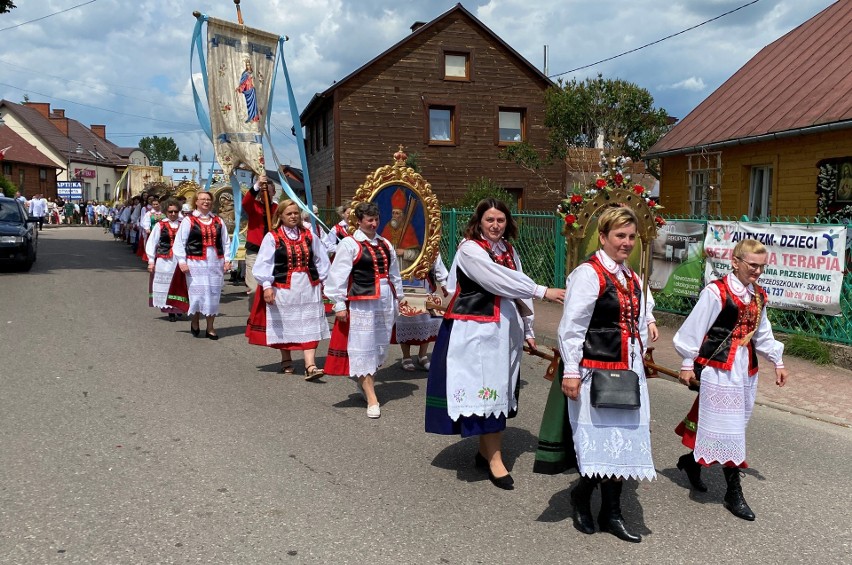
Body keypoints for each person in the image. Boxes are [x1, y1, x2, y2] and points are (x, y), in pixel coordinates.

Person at [425, 199, 565, 490]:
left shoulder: (508, 250)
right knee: (486, 390)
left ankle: (484, 450)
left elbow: (518, 289)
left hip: (504, 331)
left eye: (500, 220)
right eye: (490, 220)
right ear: (479, 222)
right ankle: (495, 459)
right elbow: (498, 281)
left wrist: (528, 328)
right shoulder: (470, 250)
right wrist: (543, 290)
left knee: (498, 390)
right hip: (475, 331)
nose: (495, 225)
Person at [557, 206, 658, 542]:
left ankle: (612, 512)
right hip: (595, 369)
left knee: (626, 443)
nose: (626, 242)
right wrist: (570, 371)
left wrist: (646, 337)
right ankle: (581, 497)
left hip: (628, 370)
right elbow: (572, 327)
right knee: (598, 442)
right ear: (602, 237)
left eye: (631, 237)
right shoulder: (589, 274)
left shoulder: (631, 277)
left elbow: (641, 314)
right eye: (619, 236)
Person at [673, 238, 787, 521]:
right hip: (720, 368)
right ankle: (732, 492)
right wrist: (687, 364)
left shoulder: (758, 295)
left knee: (728, 424)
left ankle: (690, 462)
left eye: (762, 266)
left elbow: (762, 333)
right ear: (735, 262)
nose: (758, 272)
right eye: (753, 265)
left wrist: (778, 360)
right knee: (731, 428)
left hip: (746, 369)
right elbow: (694, 328)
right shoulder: (716, 292)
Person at [324, 201, 404, 419]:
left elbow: (394, 273)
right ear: (358, 221)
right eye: (369, 220)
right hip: (362, 303)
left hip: (385, 301)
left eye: (376, 219)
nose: (374, 223)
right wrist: (338, 303)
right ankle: (372, 398)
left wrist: (399, 298)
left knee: (378, 348)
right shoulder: (349, 244)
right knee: (364, 347)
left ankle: (364, 382)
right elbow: (337, 275)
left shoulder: (385, 243)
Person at [246, 199, 330, 378]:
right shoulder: (272, 237)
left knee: (310, 323)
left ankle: (310, 365)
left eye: (296, 213)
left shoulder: (309, 235)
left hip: (308, 286)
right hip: (283, 288)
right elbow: (264, 264)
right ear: (281, 216)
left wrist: (324, 282)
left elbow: (321, 260)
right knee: (285, 324)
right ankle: (286, 359)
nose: (293, 216)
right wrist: (267, 286)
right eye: (289, 213)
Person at [173, 191, 231, 339]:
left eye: (208, 199)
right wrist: (181, 261)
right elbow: (180, 242)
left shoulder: (218, 220)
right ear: (196, 202)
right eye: (202, 199)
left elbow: (225, 242)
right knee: (197, 294)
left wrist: (227, 259)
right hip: (195, 262)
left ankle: (210, 327)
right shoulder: (189, 220)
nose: (206, 201)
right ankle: (195, 321)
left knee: (213, 294)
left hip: (215, 262)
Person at [394, 253, 448, 371]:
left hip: (425, 286)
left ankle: (422, 356)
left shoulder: (428, 240)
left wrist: (443, 282)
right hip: (404, 285)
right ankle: (406, 356)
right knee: (405, 318)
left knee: (427, 320)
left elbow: (436, 260)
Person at [145, 200, 189, 321]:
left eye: (175, 211)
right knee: (166, 285)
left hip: (180, 259)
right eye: (170, 211)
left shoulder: (184, 224)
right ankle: (170, 310)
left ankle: (179, 306)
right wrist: (151, 261)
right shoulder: (160, 225)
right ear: (166, 212)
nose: (173, 214)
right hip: (165, 259)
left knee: (179, 284)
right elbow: (152, 242)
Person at [242, 175, 278, 311]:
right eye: (263, 191)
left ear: (273, 193)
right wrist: (257, 185)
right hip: (255, 252)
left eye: (268, 191)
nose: (265, 194)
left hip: (273, 253)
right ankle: (254, 316)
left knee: (272, 287)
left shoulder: (278, 209)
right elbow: (246, 202)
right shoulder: (254, 206)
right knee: (253, 289)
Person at [381, 188, 421, 271]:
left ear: (402, 215)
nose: (394, 216)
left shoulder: (408, 228)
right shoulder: (387, 227)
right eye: (393, 213)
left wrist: (404, 252)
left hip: (404, 268)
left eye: (397, 213)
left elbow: (417, 254)